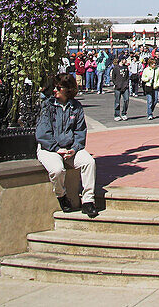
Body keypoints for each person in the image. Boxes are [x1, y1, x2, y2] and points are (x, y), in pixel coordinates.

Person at [35, 74, 98, 218]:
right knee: (57, 170)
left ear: (68, 90)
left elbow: (80, 131)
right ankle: (61, 195)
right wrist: (56, 149)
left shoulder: (75, 107)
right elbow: (43, 132)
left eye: (59, 87)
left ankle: (88, 201)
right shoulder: (48, 106)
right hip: (49, 148)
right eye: (54, 87)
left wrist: (74, 148)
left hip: (70, 148)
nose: (55, 90)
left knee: (89, 162)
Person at [111, 55, 130, 121]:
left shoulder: (126, 67)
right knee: (117, 101)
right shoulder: (116, 68)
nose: (126, 61)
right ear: (122, 60)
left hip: (125, 87)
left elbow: (127, 77)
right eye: (125, 59)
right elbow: (113, 77)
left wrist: (126, 84)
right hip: (118, 87)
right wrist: (116, 84)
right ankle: (116, 114)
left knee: (126, 100)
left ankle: (124, 113)